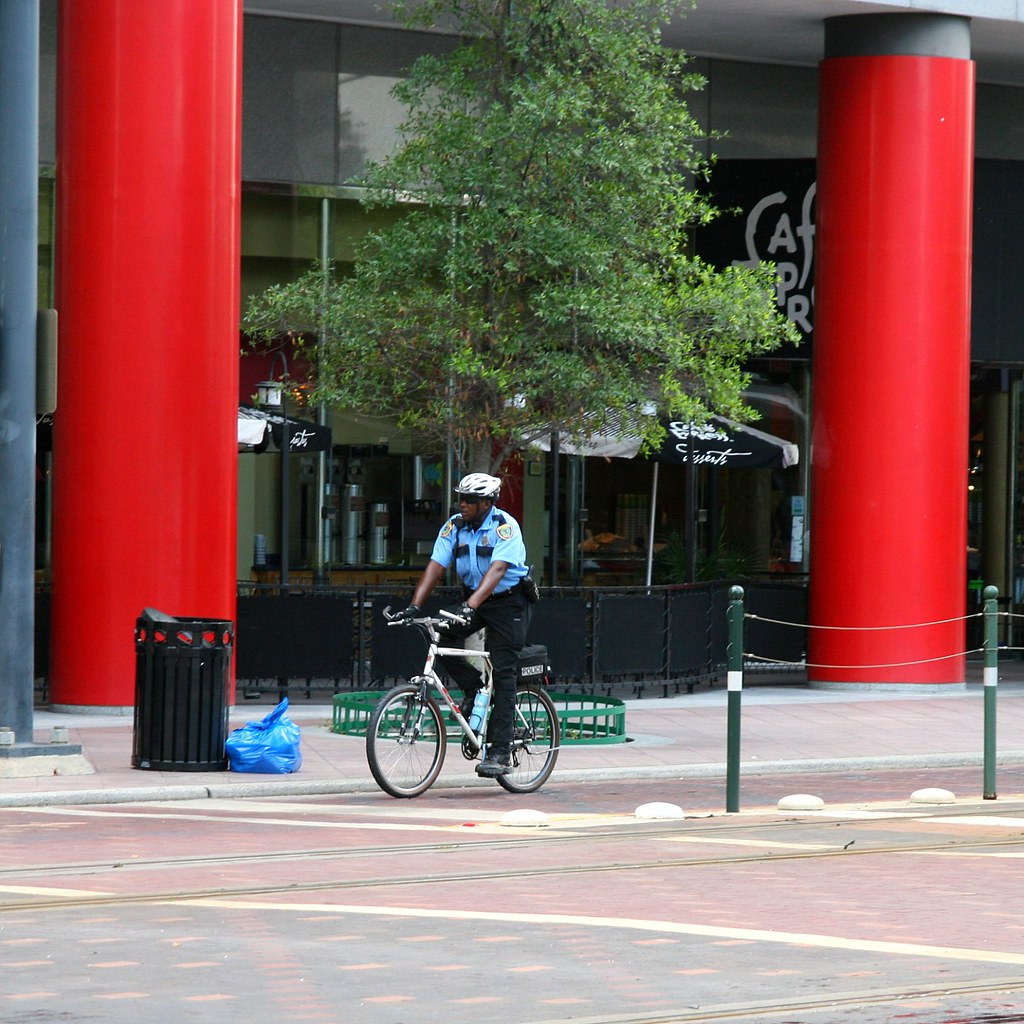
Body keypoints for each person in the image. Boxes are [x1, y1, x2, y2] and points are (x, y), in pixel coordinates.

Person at [392, 472, 533, 777]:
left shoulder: (504, 527)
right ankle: (474, 689)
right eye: (461, 498)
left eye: (470, 500)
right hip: (474, 599)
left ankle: (500, 751)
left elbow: (497, 569)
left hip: (509, 603)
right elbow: (436, 565)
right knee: (439, 635)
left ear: (487, 503)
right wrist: (414, 605)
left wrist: (470, 607)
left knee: (504, 670)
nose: (463, 504)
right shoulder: (454, 525)